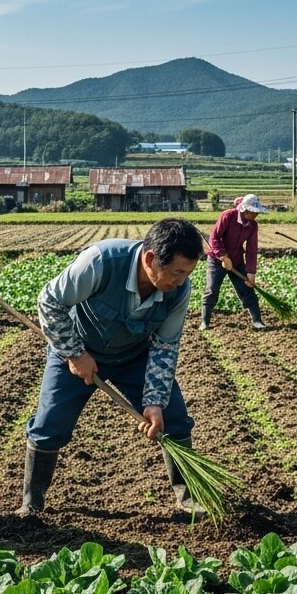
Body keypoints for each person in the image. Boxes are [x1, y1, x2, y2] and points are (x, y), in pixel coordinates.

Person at [19, 218, 205, 517]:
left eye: (188, 273)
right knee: (49, 424)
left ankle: (188, 499)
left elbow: (165, 346)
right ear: (150, 259)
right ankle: (32, 504)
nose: (181, 281)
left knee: (174, 419)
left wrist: (154, 401)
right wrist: (75, 354)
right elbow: (50, 301)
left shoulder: (178, 292)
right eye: (177, 272)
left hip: (135, 356)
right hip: (78, 350)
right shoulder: (101, 262)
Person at [201, 193, 269, 331]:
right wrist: (223, 257)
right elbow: (214, 238)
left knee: (246, 289)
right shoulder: (228, 216)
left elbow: (251, 249)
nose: (256, 215)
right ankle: (205, 322)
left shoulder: (252, 225)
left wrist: (251, 272)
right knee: (212, 289)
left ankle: (257, 320)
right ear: (245, 210)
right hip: (216, 260)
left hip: (237, 260)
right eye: (254, 212)